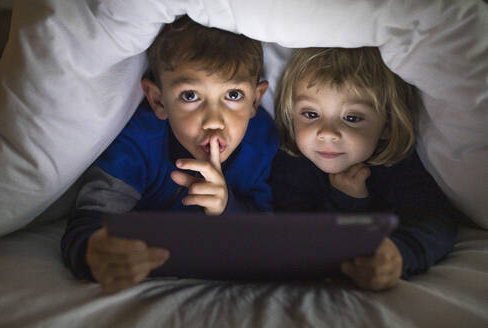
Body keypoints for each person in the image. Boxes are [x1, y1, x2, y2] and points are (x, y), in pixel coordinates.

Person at [61, 16, 279, 293]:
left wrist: (227, 208)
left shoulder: (262, 141)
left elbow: (268, 235)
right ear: (158, 100)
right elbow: (89, 221)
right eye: (190, 96)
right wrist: (94, 252)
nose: (214, 120)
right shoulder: (138, 141)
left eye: (233, 95)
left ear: (256, 100)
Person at [270, 47, 460, 291]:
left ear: (387, 125)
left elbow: (436, 222)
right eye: (310, 113)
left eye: (352, 118)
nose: (327, 133)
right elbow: (294, 229)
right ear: (290, 115)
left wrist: (399, 254)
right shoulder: (290, 163)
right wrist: (348, 201)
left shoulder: (398, 166)